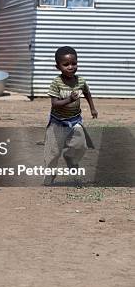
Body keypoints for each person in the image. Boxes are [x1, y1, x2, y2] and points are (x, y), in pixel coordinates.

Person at [44, 46, 97, 184]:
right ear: (58, 67)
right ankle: (50, 174)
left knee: (81, 145)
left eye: (74, 63)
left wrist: (92, 108)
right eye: (66, 64)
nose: (70, 67)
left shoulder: (80, 81)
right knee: (53, 152)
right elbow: (55, 103)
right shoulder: (57, 82)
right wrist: (69, 100)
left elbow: (87, 93)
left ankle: (70, 158)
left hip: (75, 120)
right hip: (57, 122)